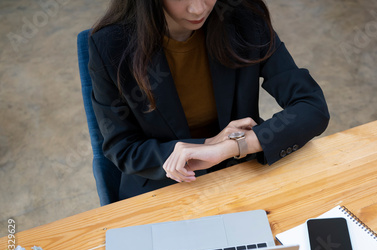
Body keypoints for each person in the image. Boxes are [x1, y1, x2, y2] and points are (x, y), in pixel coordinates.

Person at [88, 0, 330, 200]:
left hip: (243, 172)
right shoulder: (110, 46)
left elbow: (310, 105)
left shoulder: (243, 16)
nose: (199, 9)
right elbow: (122, 146)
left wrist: (233, 146)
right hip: (164, 187)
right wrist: (207, 144)